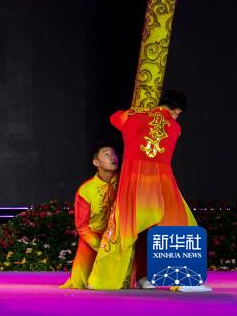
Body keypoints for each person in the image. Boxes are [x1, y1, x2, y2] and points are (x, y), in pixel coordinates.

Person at [88, 90, 210, 292]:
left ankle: (101, 280)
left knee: (122, 230)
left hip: (133, 182)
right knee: (181, 224)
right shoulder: (175, 127)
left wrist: (135, 111)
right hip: (162, 182)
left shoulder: (133, 117)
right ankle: (184, 280)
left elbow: (114, 118)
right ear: (177, 111)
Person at [59, 142, 118, 289]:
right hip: (94, 239)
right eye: (106, 154)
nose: (112, 157)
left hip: (118, 238)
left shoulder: (125, 184)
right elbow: (81, 225)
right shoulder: (86, 189)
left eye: (113, 153)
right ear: (96, 162)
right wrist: (100, 246)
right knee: (82, 282)